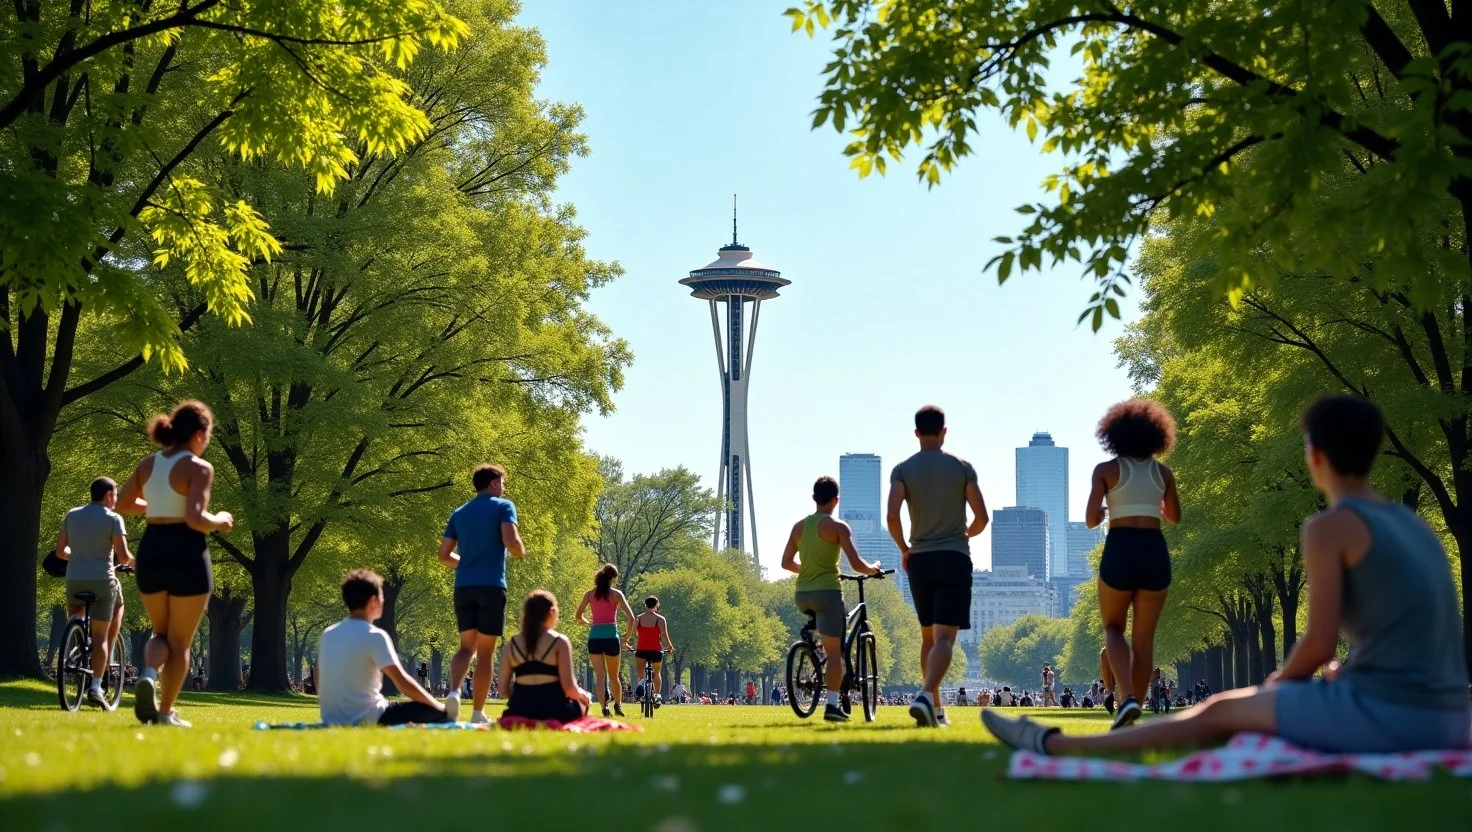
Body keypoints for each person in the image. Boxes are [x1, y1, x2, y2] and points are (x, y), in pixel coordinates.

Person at [985, 396, 1471, 756]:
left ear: (1315, 455)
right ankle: (1119, 711)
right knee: (1149, 639)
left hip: (1398, 716)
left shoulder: (1330, 527)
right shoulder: (1415, 525)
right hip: (1448, 716)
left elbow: (1320, 643)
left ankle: (1058, 747)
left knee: (1219, 709)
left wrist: (1276, 684)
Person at [116, 401, 233, 727]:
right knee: (180, 643)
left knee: (161, 634)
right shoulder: (199, 468)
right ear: (199, 434)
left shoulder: (148, 464)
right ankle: (165, 713)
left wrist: (158, 505)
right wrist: (221, 520)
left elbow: (124, 504)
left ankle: (149, 675)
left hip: (152, 550)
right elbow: (196, 519)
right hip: (186, 553)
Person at [887, 405, 988, 727]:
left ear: (916, 433)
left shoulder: (903, 470)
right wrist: (965, 533)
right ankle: (926, 692)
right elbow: (982, 517)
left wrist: (905, 547)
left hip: (920, 559)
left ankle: (936, 708)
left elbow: (891, 516)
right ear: (945, 431)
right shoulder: (961, 468)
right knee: (944, 640)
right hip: (954, 557)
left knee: (928, 638)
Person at [1083, 399, 1181, 729]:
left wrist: (1104, 512)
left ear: (1115, 435)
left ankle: (1125, 699)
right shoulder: (1163, 473)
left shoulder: (1106, 471)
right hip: (1154, 549)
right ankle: (1134, 707)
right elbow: (1174, 516)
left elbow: (1090, 521)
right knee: (1144, 641)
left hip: (1120, 547)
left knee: (1113, 628)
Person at [781, 475, 883, 722]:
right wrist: (875, 569)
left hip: (802, 595)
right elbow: (857, 564)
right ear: (837, 500)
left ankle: (813, 651)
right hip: (827, 593)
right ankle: (833, 706)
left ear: (814, 498)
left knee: (824, 639)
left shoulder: (798, 527)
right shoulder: (838, 527)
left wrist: (806, 570)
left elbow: (785, 563)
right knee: (835, 653)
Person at [437, 463, 526, 725]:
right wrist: (521, 551)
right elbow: (511, 540)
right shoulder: (504, 506)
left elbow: (443, 555)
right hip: (491, 586)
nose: (504, 487)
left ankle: (453, 692)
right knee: (485, 653)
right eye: (503, 482)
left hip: (463, 587)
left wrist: (464, 564)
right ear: (494, 483)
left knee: (466, 647)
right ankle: (477, 712)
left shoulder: (459, 513)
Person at [317, 570, 449, 726]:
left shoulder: (328, 633)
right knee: (431, 711)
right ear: (373, 601)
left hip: (331, 717)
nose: (383, 601)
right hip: (370, 716)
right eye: (381, 597)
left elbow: (319, 677)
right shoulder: (374, 635)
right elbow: (402, 682)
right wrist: (439, 706)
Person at [55, 477, 134, 709]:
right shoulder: (113, 519)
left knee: (76, 616)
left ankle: (75, 644)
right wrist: (133, 563)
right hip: (102, 580)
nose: (117, 499)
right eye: (116, 495)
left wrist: (79, 554)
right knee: (101, 636)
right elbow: (123, 555)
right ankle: (96, 686)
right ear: (108, 495)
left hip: (74, 579)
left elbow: (61, 551)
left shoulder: (72, 515)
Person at [500, 590, 592, 722]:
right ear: (552, 612)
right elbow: (570, 688)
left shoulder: (511, 644)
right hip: (555, 711)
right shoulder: (559, 642)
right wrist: (585, 696)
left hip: (519, 710)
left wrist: (525, 698)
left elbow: (503, 690)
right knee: (582, 703)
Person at [575, 563, 637, 717]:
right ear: (613, 579)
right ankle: (617, 705)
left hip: (595, 637)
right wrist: (626, 637)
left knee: (600, 676)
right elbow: (631, 618)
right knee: (614, 675)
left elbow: (578, 616)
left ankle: (604, 707)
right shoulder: (616, 595)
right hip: (611, 637)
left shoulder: (590, 594)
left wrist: (587, 621)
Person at [629, 596, 675, 706]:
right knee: (657, 672)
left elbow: (633, 633)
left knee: (640, 673)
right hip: (656, 651)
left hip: (641, 650)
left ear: (645, 605)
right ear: (656, 605)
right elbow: (664, 634)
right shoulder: (660, 619)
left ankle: (643, 687)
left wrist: (626, 641)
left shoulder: (638, 618)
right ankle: (657, 695)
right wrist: (669, 646)